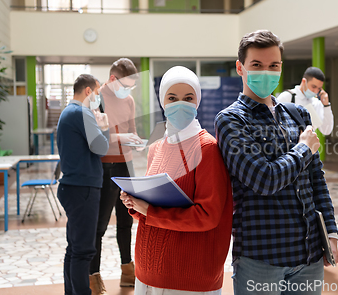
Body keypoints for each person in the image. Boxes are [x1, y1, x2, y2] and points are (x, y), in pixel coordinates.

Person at [214, 30, 338, 295]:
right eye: (257, 65)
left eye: (274, 66)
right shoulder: (231, 120)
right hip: (261, 256)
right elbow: (264, 179)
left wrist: (331, 233)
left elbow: (317, 178)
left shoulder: (297, 114)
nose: (266, 72)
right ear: (240, 67)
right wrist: (304, 149)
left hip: (309, 254)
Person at [120, 66, 233, 294]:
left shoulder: (206, 148)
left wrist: (149, 211)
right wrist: (134, 202)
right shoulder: (157, 147)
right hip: (148, 270)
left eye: (188, 98)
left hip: (186, 277)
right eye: (172, 98)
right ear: (163, 101)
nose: (180, 103)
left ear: (197, 102)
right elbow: (151, 200)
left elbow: (208, 216)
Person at [89, 58, 142, 294]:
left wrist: (137, 140)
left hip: (126, 166)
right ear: (113, 80)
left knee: (126, 221)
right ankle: (93, 275)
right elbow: (94, 139)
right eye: (126, 85)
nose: (128, 91)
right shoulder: (96, 100)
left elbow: (132, 130)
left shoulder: (128, 100)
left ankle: (127, 271)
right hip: (105, 166)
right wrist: (121, 139)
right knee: (99, 226)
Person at [57, 74, 110, 295]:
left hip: (73, 187)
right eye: (97, 92)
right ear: (88, 91)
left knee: (74, 249)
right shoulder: (81, 112)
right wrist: (104, 126)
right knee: (83, 251)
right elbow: (101, 148)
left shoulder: (68, 112)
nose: (98, 97)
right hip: (83, 189)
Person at [277, 67, 334, 135]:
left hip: (308, 144)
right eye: (313, 87)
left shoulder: (316, 103)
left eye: (319, 88)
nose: (316, 91)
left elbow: (326, 131)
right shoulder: (286, 97)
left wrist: (326, 105)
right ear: (304, 81)